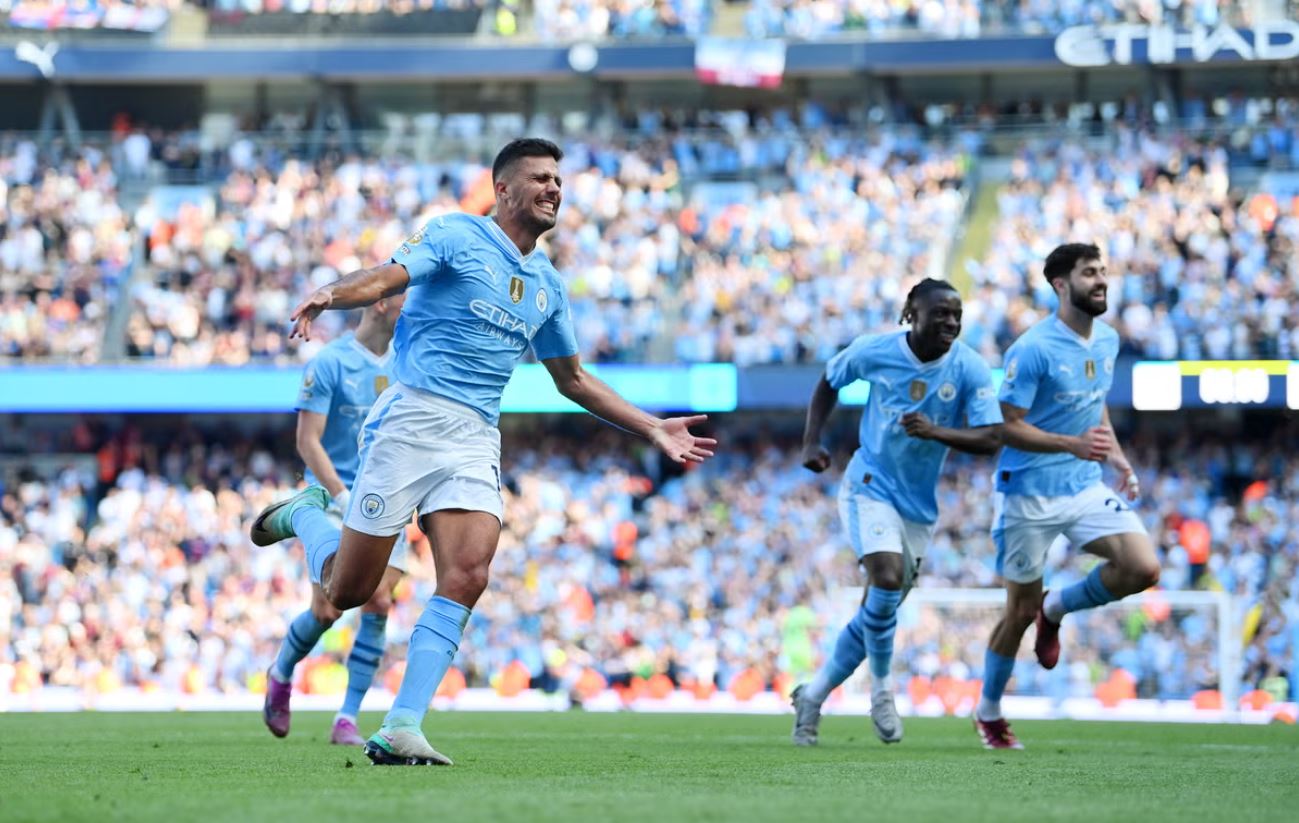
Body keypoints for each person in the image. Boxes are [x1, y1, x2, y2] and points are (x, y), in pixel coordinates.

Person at [250, 138, 715, 766]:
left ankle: (402, 726)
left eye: (558, 180)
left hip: (475, 435)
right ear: (503, 190)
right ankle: (304, 514)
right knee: (347, 591)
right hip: (412, 417)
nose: (554, 188)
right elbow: (389, 275)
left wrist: (651, 426)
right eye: (540, 178)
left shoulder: (547, 284)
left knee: (469, 574)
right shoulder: (455, 234)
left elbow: (573, 379)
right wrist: (332, 293)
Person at [792, 279, 1003, 746]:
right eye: (940, 313)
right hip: (869, 484)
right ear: (912, 313)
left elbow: (991, 437)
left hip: (918, 508)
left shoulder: (968, 367)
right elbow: (829, 380)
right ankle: (883, 692)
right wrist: (811, 441)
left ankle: (813, 695)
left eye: (956, 314)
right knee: (886, 579)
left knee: (878, 610)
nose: (950, 322)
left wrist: (935, 432)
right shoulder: (875, 351)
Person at [973, 243, 1159, 750]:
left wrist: (1116, 457)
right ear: (1061, 285)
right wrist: (1069, 444)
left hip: (1082, 485)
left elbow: (1095, 406)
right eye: (1089, 273)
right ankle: (989, 711)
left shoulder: (1108, 340)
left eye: (1103, 271)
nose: (1101, 280)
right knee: (1017, 612)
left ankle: (1054, 609)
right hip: (1027, 494)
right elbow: (1005, 426)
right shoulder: (1032, 348)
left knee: (1143, 568)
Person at [262, 296, 408, 746]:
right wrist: (344, 498)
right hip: (330, 498)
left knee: (379, 602)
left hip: (386, 499)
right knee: (327, 609)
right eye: (407, 294)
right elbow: (308, 442)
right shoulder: (330, 362)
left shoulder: (409, 360)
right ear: (380, 303)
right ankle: (281, 671)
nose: (416, 302)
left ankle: (347, 716)